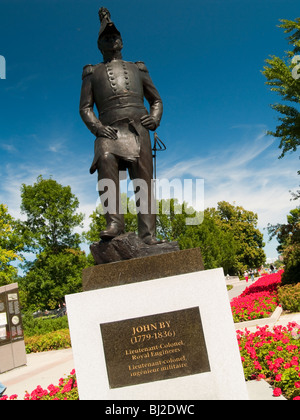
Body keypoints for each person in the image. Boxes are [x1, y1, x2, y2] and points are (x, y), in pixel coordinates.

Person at [79, 8, 163, 245]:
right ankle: (114, 222)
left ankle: (148, 235)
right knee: (105, 159)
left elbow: (155, 99)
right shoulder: (91, 73)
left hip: (138, 128)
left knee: (143, 181)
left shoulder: (138, 68)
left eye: (115, 36)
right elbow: (85, 108)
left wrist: (154, 118)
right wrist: (97, 128)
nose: (112, 40)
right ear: (99, 45)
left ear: (122, 41)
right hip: (109, 131)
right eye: (106, 38)